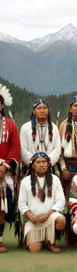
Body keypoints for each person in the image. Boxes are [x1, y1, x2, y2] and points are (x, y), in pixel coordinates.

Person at [18, 152, 66, 253]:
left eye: (44, 162)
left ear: (48, 164)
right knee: (34, 250)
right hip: (34, 220)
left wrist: (47, 214)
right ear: (33, 165)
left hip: (50, 217)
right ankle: (42, 238)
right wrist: (30, 216)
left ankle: (51, 242)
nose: (41, 164)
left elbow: (61, 201)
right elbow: (21, 204)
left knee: (61, 220)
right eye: (38, 162)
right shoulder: (25, 181)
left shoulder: (55, 179)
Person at [0, 83, 20, 253]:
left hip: (3, 171)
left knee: (1, 206)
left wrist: (4, 165)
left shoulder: (11, 124)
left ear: (2, 105)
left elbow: (15, 147)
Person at [20, 99, 61, 177]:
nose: (42, 111)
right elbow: (22, 149)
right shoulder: (25, 127)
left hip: (49, 168)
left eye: (45, 108)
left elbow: (57, 149)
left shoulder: (54, 127)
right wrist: (35, 163)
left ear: (48, 111)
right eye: (39, 108)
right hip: (31, 169)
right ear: (33, 111)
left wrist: (47, 162)